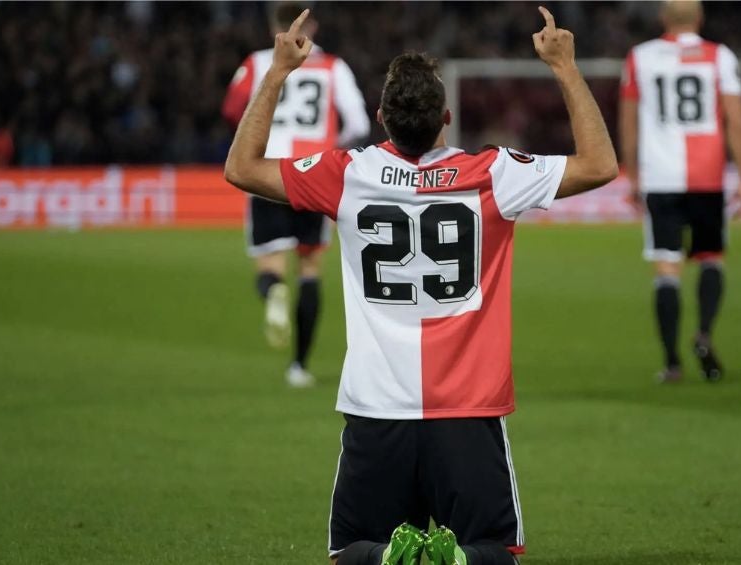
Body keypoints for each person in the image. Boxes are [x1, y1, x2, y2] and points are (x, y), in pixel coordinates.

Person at [224, 7, 617, 565]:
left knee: (352, 553)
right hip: (468, 410)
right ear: (447, 117)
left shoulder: (348, 175)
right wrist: (564, 67)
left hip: (377, 408)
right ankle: (456, 561)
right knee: (495, 552)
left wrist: (278, 72)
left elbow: (241, 167)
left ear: (382, 116)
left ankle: (389, 560)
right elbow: (600, 164)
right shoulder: (494, 174)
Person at [222, 1, 370, 388]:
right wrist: (329, 147)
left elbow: (232, 108)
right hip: (314, 173)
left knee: (270, 265)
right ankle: (299, 366)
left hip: (267, 168)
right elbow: (358, 122)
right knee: (309, 269)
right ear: (312, 27)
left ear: (275, 25)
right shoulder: (334, 66)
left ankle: (273, 291)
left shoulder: (256, 63)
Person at [619, 0, 741, 383]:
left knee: (666, 268)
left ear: (662, 18)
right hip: (706, 176)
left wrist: (632, 174)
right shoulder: (719, 56)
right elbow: (735, 120)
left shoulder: (640, 57)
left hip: (661, 177)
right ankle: (705, 332)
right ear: (700, 18)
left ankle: (672, 362)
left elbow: (629, 120)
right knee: (711, 258)